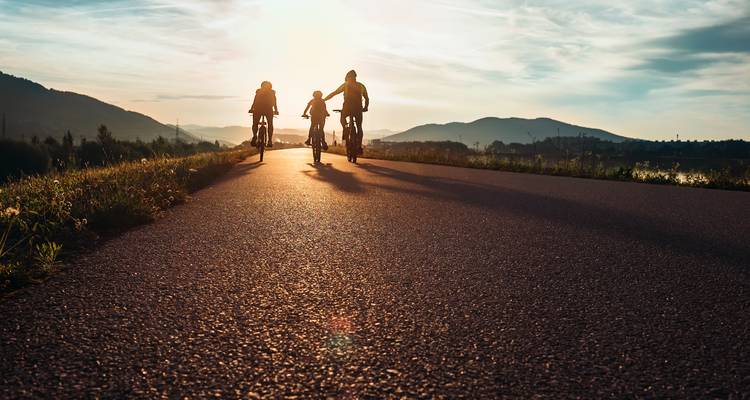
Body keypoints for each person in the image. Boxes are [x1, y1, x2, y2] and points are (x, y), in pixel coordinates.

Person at [324, 70, 369, 154]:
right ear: (355, 76)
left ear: (347, 78)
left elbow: (334, 93)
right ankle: (359, 146)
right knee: (359, 127)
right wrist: (366, 107)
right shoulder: (361, 86)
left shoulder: (345, 85)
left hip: (347, 108)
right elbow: (366, 98)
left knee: (342, 119)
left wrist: (324, 100)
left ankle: (346, 129)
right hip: (358, 108)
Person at [248, 81, 279, 147]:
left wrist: (251, 109)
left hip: (258, 109)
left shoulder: (259, 92)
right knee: (270, 124)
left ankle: (254, 136)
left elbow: (255, 101)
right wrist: (276, 110)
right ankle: (270, 141)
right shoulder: (272, 93)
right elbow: (274, 103)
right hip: (268, 110)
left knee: (255, 124)